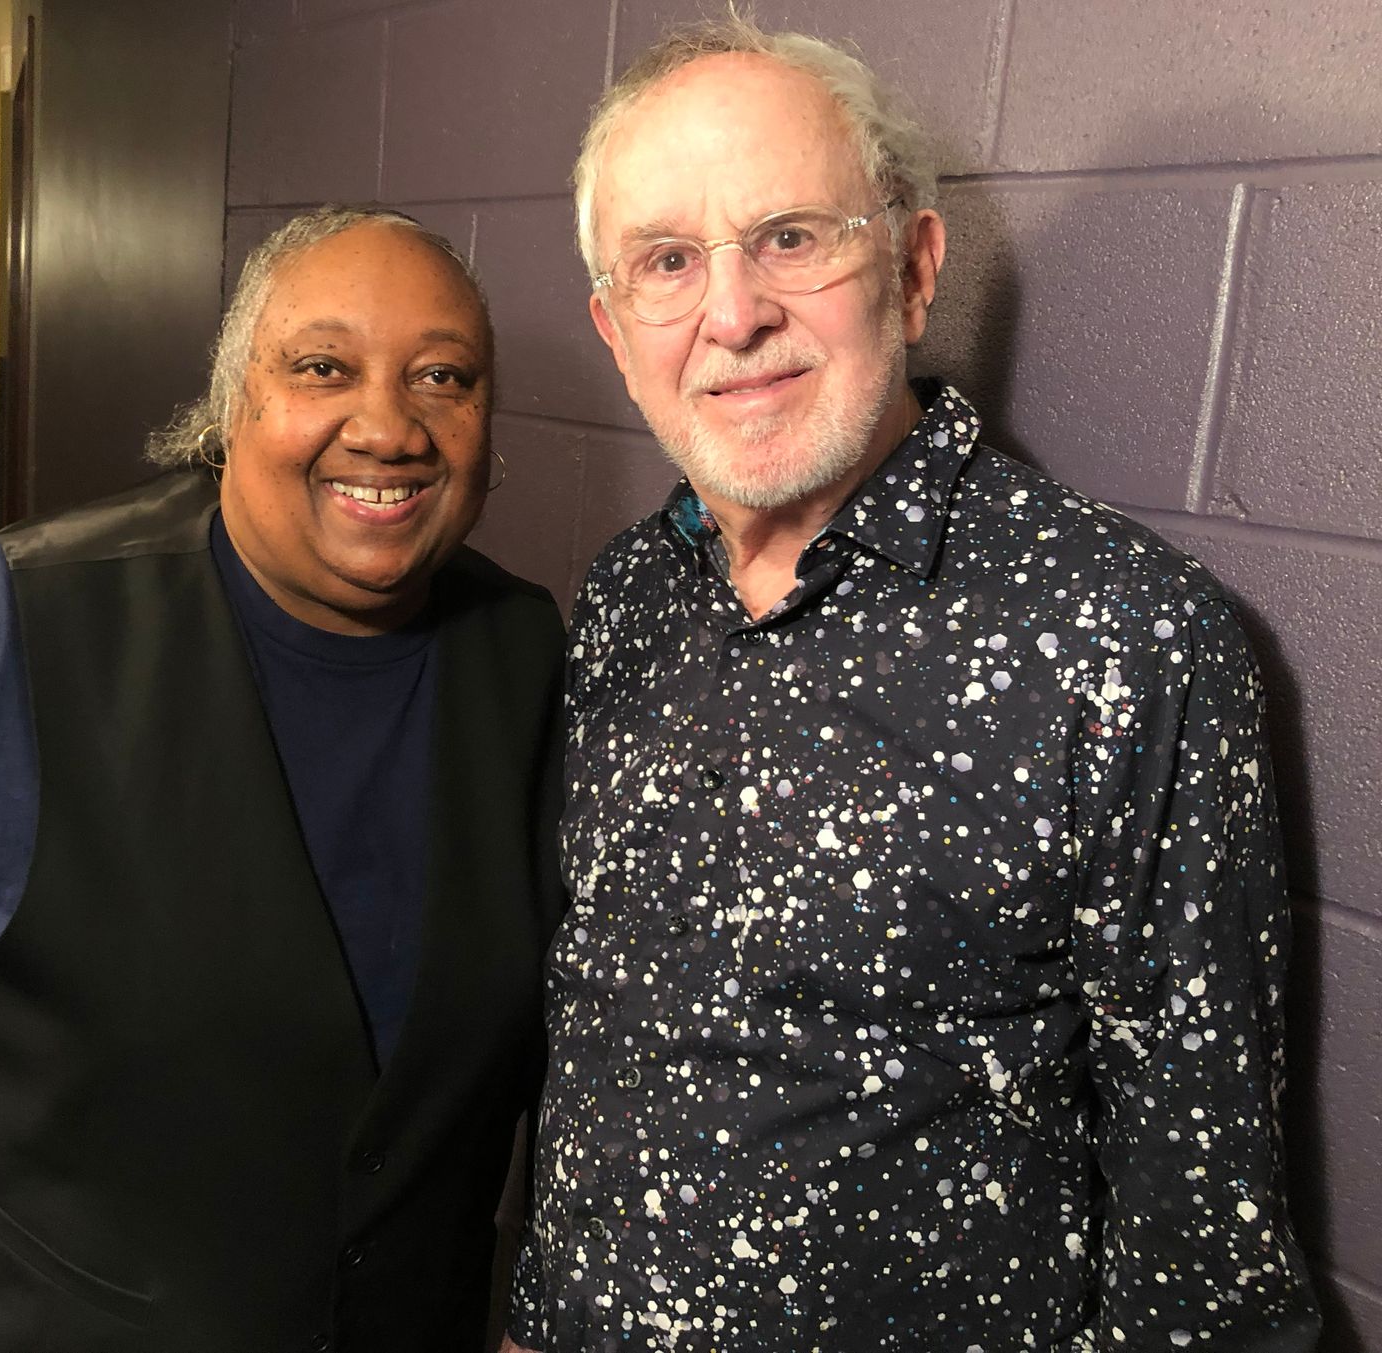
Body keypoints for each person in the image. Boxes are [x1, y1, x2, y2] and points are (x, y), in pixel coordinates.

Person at [503, 19, 1319, 1353]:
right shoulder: (624, 600)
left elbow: (1203, 1238)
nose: (732, 315)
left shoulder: (1123, 638)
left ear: (915, 267)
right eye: (666, 261)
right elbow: (595, 1033)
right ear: (614, 327)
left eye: (789, 237)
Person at [0, 205, 566, 1352]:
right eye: (322, 367)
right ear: (232, 400)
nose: (388, 427)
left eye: (442, 377)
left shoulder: (531, 658)